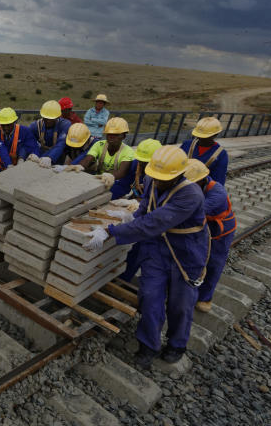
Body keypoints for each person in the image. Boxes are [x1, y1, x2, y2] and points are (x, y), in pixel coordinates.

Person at [84, 145, 210, 368]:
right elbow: (146, 209)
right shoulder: (153, 180)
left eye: (163, 179)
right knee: (150, 297)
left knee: (180, 303)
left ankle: (177, 343)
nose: (157, 181)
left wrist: (111, 231)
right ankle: (148, 344)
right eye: (155, 177)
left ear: (179, 174)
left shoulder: (191, 195)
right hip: (156, 249)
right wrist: (129, 217)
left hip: (185, 252)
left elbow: (155, 222)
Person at [184, 159, 237, 313]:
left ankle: (205, 297)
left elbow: (194, 212)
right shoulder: (194, 187)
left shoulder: (217, 193)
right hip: (202, 226)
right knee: (194, 257)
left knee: (213, 262)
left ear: (201, 180)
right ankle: (188, 288)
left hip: (220, 231)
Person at [117, 138, 162, 283]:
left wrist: (140, 204)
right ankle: (120, 274)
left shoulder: (162, 177)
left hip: (155, 217)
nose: (142, 164)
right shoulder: (138, 165)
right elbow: (125, 183)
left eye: (146, 162)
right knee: (130, 244)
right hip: (141, 207)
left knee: (141, 247)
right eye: (141, 161)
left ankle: (125, 279)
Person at [78, 117, 135, 192]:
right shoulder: (99, 145)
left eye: (116, 135)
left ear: (123, 136)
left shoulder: (128, 151)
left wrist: (111, 176)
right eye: (109, 134)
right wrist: (78, 166)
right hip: (99, 179)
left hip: (116, 182)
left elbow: (122, 172)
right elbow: (88, 159)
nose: (111, 137)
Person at [0, 107, 41, 178]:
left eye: (8, 124)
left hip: (17, 166)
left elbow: (33, 146)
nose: (6, 128)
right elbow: (1, 148)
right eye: (3, 125)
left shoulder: (24, 131)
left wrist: (34, 156)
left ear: (14, 122)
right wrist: (8, 164)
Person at [180, 117, 229, 185]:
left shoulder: (221, 155)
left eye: (204, 137)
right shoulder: (186, 145)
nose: (200, 138)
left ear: (215, 135)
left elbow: (218, 181)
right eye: (198, 136)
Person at [30, 100, 71, 165]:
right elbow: (30, 142)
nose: (48, 121)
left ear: (58, 117)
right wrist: (34, 153)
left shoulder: (65, 125)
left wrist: (50, 157)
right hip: (39, 157)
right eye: (46, 118)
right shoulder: (35, 126)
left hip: (58, 157)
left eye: (51, 118)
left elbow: (61, 144)